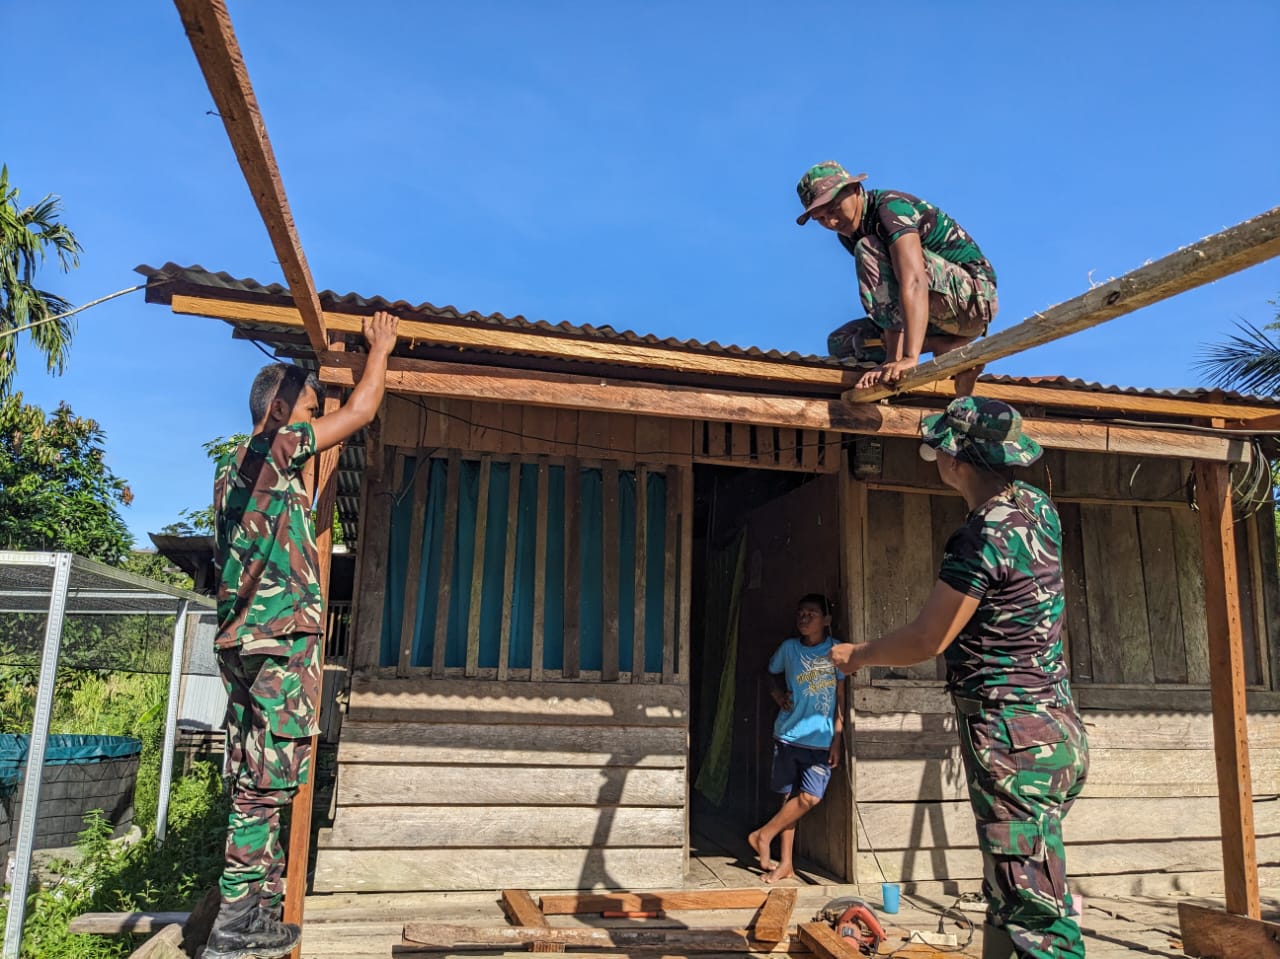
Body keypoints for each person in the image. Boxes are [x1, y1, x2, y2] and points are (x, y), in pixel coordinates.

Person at [828, 397, 1089, 959]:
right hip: (1057, 730)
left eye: (942, 447)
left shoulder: (980, 537)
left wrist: (858, 655)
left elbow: (928, 638)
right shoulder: (1039, 508)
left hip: (1011, 740)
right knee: (1014, 891)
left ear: (955, 462)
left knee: (1036, 917)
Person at [204, 311, 399, 959]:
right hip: (275, 644)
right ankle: (236, 924)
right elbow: (365, 408)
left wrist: (329, 422)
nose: (314, 421)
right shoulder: (271, 448)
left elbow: (311, 493)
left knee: (259, 778)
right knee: (266, 783)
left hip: (249, 643)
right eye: (310, 409)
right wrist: (381, 349)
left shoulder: (245, 471)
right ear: (283, 408)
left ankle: (251, 911)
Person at [795, 161, 998, 396]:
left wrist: (904, 358)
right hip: (933, 315)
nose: (831, 222)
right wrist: (890, 361)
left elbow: (913, 281)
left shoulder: (890, 208)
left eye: (833, 210)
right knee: (842, 342)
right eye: (820, 218)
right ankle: (945, 345)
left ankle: (920, 349)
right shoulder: (848, 234)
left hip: (971, 301)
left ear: (854, 190)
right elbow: (888, 296)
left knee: (868, 248)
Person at [747, 593, 846, 884]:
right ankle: (785, 863)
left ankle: (763, 835)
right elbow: (768, 673)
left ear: (826, 620)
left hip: (821, 741)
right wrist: (777, 694)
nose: (804, 618)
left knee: (810, 797)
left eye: (811, 614)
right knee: (788, 800)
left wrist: (838, 739)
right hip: (788, 736)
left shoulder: (837, 651)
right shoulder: (788, 649)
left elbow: (841, 699)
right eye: (800, 613)